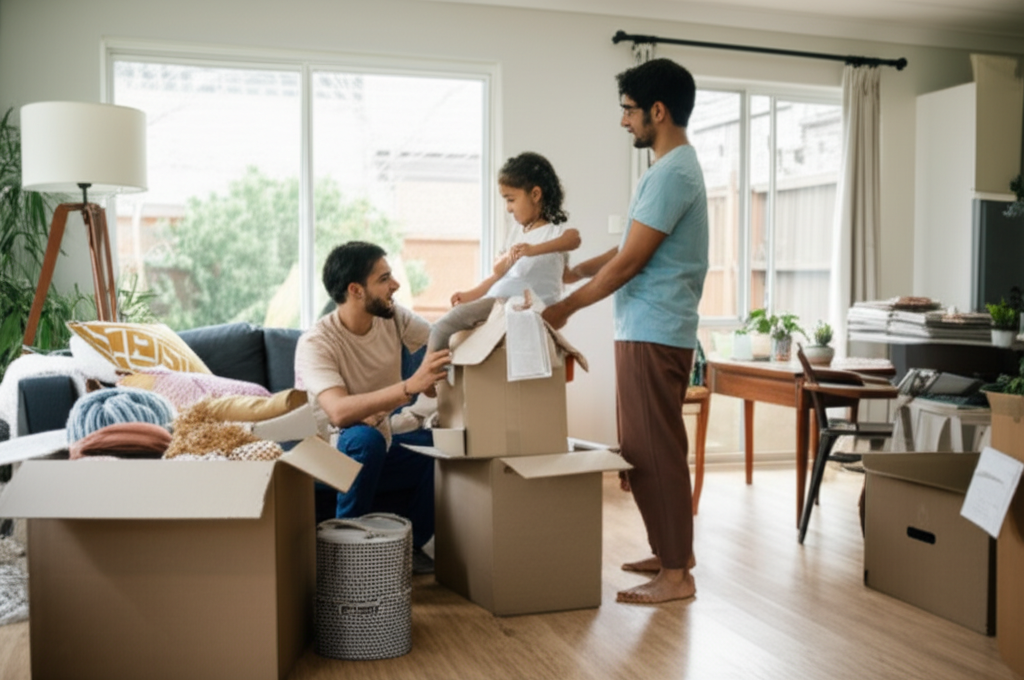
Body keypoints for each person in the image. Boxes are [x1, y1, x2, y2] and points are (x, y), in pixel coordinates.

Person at [542, 58, 709, 605]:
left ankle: (677, 575)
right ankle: (669, 554)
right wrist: (575, 272)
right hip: (648, 328)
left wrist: (565, 308)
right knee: (644, 449)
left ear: (657, 111)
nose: (623, 121)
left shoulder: (673, 173)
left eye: (629, 110)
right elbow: (629, 247)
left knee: (655, 453)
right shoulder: (666, 172)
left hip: (654, 330)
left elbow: (632, 262)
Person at [294, 241, 451, 573]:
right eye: (384, 278)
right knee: (365, 439)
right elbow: (338, 412)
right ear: (356, 290)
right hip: (333, 449)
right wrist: (410, 386)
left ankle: (410, 547)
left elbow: (441, 340)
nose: (395, 284)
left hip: (382, 440)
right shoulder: (316, 342)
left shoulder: (393, 318)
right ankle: (345, 558)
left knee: (444, 447)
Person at [427, 152, 581, 353]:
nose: (508, 208)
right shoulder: (516, 232)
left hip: (521, 305)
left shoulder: (554, 232)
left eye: (511, 199)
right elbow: (498, 274)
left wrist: (532, 250)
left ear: (535, 194)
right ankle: (437, 371)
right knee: (454, 334)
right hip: (500, 300)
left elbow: (573, 239)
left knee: (442, 327)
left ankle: (427, 374)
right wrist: (472, 294)